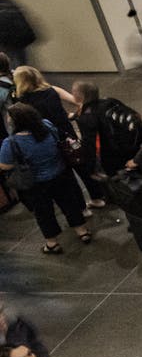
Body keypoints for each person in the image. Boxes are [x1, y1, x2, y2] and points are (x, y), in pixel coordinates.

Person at [0, 104, 91, 254]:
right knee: (69, 203)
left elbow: (5, 166)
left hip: (36, 184)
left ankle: (52, 243)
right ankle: (82, 231)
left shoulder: (11, 143)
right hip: (61, 173)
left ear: (15, 121)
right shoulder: (47, 125)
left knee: (44, 213)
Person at [0, 0, 38, 65]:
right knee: (20, 67)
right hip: (20, 41)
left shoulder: (5, 6)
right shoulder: (9, 3)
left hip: (7, 44)